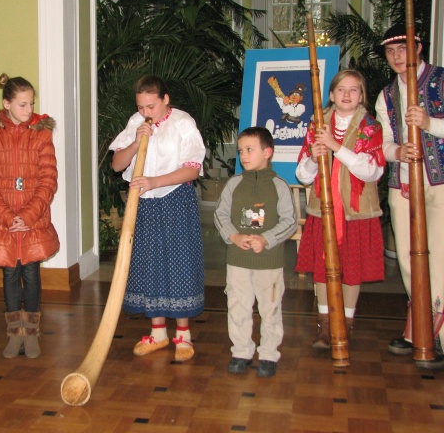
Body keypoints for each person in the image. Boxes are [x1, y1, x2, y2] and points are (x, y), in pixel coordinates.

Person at [109, 74, 206, 362]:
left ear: (166, 99)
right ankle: (158, 333)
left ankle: (183, 336)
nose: (145, 112)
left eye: (151, 106)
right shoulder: (135, 122)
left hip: (175, 199)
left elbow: (192, 169)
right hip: (144, 204)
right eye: (140, 107)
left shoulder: (183, 123)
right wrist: (136, 142)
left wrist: (154, 181)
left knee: (179, 264)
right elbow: (117, 165)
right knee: (150, 264)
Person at [295, 70, 386, 348]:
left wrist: (336, 147)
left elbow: (373, 171)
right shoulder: (317, 124)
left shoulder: (370, 126)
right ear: (331, 95)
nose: (347, 95)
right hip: (322, 209)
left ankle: (345, 324)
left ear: (362, 96)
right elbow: (303, 175)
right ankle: (325, 326)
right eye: (341, 89)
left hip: (355, 212)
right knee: (323, 267)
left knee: (351, 268)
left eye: (353, 89)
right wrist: (314, 158)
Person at [375, 24, 444, 368]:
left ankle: (438, 334)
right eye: (391, 51)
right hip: (402, 186)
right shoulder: (387, 94)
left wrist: (431, 124)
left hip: (440, 183)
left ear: (418, 48)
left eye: (403, 48)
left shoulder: (441, 81)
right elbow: (383, 142)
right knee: (406, 257)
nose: (397, 56)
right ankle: (419, 329)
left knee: (439, 260)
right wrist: (397, 152)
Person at [0, 74, 59, 359]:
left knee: (31, 272)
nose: (28, 109)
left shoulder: (41, 135)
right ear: (6, 104)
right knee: (11, 272)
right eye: (22, 104)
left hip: (33, 219)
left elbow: (48, 179)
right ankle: (14, 332)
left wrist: (27, 216)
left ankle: (32, 331)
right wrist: (6, 217)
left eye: (31, 103)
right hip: (3, 221)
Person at [214, 126, 297, 377]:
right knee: (238, 306)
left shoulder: (279, 186)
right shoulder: (234, 184)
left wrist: (266, 239)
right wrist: (234, 236)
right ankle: (241, 351)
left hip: (268, 262)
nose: (243, 155)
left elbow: (290, 221)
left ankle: (269, 354)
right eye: (241, 151)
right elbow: (220, 214)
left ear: (267, 152)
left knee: (270, 308)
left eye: (250, 150)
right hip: (237, 260)